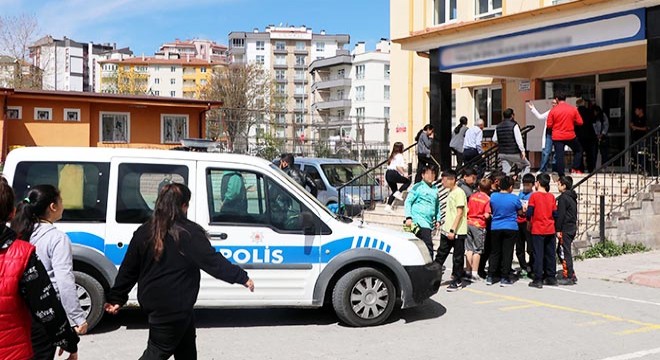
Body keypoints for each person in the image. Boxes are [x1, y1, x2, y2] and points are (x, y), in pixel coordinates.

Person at [105, 183, 255, 359]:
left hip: (165, 304)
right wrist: (241, 277)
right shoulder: (188, 233)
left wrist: (117, 297)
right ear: (183, 206)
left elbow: (128, 269)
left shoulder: (145, 231)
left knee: (186, 349)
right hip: (173, 307)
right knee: (157, 351)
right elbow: (212, 261)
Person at [0, 177, 79, 360]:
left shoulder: (23, 238)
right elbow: (47, 306)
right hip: (15, 350)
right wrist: (68, 340)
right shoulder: (23, 253)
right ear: (12, 212)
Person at [434, 169, 468, 292]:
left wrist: (453, 230)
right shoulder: (451, 192)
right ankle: (433, 278)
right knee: (441, 254)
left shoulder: (459, 192)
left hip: (456, 231)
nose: (442, 182)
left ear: (452, 180)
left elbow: (459, 213)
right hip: (446, 230)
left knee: (457, 257)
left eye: (444, 180)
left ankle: (457, 280)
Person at [487, 175, 522, 287]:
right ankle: (504, 277)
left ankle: (491, 275)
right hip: (510, 227)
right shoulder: (514, 198)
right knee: (507, 252)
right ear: (510, 187)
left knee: (495, 252)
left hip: (496, 226)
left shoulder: (493, 196)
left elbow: (491, 208)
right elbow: (520, 212)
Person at [527, 173, 558, 289]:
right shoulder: (551, 197)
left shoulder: (534, 197)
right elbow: (555, 213)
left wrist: (528, 222)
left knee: (538, 254)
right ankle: (551, 276)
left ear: (538, 183)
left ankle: (538, 278)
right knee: (550, 254)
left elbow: (529, 212)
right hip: (550, 228)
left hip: (538, 228)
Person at [404, 164, 440, 258]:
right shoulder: (417, 186)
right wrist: (408, 217)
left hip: (429, 222)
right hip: (418, 221)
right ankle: (429, 267)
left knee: (420, 246)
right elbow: (408, 202)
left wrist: (438, 219)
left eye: (432, 173)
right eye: (427, 173)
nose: (430, 176)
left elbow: (437, 206)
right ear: (423, 175)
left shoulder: (435, 189)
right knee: (428, 246)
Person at [546, 93, 584, 176]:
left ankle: (561, 174)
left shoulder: (553, 110)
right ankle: (575, 168)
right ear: (565, 98)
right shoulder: (572, 109)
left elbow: (549, 125)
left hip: (557, 136)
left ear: (556, 99)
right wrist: (571, 122)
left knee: (559, 155)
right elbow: (580, 122)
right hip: (570, 135)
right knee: (578, 150)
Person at [478, 171, 505, 279]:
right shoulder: (488, 194)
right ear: (497, 181)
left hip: (497, 223)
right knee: (487, 248)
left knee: (497, 248)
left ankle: (497, 269)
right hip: (487, 224)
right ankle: (481, 269)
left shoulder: (498, 192)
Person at [465, 178, 492, 282]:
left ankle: (467, 271)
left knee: (469, 249)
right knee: (478, 250)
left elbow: (467, 209)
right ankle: (474, 273)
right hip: (479, 225)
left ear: (479, 187)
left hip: (469, 222)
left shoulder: (472, 196)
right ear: (489, 189)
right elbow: (486, 215)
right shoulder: (487, 199)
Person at [492, 108, 530, 177]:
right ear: (512, 115)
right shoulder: (514, 125)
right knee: (526, 165)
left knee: (505, 171)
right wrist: (522, 151)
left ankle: (504, 185)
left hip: (502, 152)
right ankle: (524, 183)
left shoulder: (498, 126)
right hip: (514, 152)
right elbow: (519, 139)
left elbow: (494, 139)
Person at [556, 176, 578, 286]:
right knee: (561, 251)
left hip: (565, 228)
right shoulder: (572, 197)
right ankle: (570, 273)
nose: (557, 186)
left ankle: (568, 275)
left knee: (564, 252)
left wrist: (558, 229)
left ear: (564, 186)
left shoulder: (563, 198)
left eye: (559, 184)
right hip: (571, 227)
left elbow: (561, 215)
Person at [527, 100, 557, 173]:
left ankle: (555, 170)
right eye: (552, 103)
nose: (553, 104)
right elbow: (540, 117)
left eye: (555, 103)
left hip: (558, 134)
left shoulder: (561, 112)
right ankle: (542, 169)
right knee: (546, 152)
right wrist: (533, 109)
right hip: (549, 134)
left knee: (557, 153)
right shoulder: (550, 112)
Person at [516, 174, 535, 277]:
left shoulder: (533, 196)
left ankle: (531, 266)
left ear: (532, 185)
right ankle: (523, 266)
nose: (526, 187)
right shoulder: (520, 194)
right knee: (519, 247)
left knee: (530, 247)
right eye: (524, 184)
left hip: (528, 223)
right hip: (519, 222)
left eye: (528, 185)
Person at [385, 142, 411, 212]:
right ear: (401, 148)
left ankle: (388, 206)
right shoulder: (400, 156)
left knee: (394, 191)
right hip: (393, 173)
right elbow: (398, 166)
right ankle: (399, 192)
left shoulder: (393, 156)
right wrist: (404, 174)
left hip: (388, 174)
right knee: (408, 181)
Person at [576, 98, 597, 173]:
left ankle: (580, 168)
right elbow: (594, 122)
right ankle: (590, 168)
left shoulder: (576, 112)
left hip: (579, 136)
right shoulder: (589, 111)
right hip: (589, 135)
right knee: (589, 153)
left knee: (579, 153)